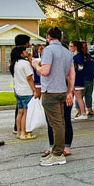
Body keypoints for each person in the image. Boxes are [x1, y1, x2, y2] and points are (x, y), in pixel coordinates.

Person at [34, 27, 74, 166]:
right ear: (61, 37)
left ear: (48, 36)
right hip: (62, 90)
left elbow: (45, 71)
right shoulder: (67, 52)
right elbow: (71, 74)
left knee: (56, 124)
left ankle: (57, 154)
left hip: (50, 91)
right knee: (61, 122)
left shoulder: (48, 50)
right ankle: (59, 151)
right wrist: (70, 91)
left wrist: (36, 66)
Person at [10, 46, 37, 140]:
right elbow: (29, 78)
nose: (27, 52)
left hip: (18, 90)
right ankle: (23, 132)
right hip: (27, 91)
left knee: (20, 112)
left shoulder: (14, 64)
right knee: (26, 113)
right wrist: (34, 90)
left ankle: (18, 132)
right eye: (25, 51)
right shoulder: (25, 64)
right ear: (21, 54)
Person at [12, 34, 31, 134]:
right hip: (26, 89)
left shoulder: (15, 59)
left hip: (18, 88)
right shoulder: (24, 62)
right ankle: (24, 130)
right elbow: (29, 77)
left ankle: (18, 129)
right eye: (28, 42)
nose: (29, 45)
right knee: (25, 111)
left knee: (20, 110)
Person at [70, 40, 88, 120]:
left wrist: (74, 71)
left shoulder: (79, 56)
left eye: (71, 46)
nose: (70, 48)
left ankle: (83, 113)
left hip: (78, 79)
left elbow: (81, 67)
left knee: (79, 97)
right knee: (76, 97)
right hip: (75, 79)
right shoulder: (76, 55)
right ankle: (81, 112)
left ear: (75, 47)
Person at [82, 41, 94, 117]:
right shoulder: (79, 56)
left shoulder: (89, 56)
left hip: (90, 79)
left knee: (89, 95)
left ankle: (90, 110)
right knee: (80, 96)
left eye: (86, 47)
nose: (85, 48)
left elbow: (93, 66)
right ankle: (80, 111)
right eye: (84, 47)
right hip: (83, 79)